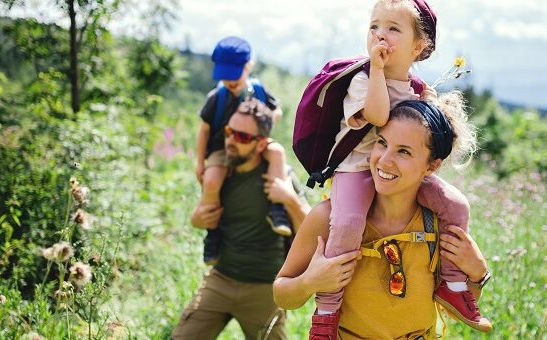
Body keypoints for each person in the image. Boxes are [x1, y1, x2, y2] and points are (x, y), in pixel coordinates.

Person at [307, 0, 489, 335]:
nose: (380, 35)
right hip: (357, 168)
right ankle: (328, 310)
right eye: (374, 26)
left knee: (455, 205)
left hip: (393, 171)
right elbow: (377, 116)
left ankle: (453, 285)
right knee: (348, 221)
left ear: (419, 46)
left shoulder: (417, 89)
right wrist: (377, 69)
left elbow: (427, 135)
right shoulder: (362, 79)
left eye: (393, 29)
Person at [274, 97, 491, 339]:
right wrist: (309, 282)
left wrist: (478, 274)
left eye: (404, 151)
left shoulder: (441, 223)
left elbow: (452, 310)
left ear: (431, 166)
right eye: (381, 142)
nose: (385, 160)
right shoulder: (329, 218)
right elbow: (282, 295)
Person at [176, 98, 312, 339]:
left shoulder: (279, 176)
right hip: (220, 279)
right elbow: (197, 221)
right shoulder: (219, 174)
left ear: (261, 145)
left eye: (242, 137)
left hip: (265, 289)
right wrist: (197, 218)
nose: (231, 141)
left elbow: (310, 230)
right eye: (229, 132)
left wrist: (290, 199)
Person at [192, 36, 293, 266]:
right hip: (222, 147)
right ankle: (213, 232)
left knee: (276, 153)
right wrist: (200, 162)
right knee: (211, 181)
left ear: (248, 66)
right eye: (224, 76)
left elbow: (276, 111)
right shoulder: (216, 97)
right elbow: (204, 130)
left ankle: (278, 208)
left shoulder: (257, 90)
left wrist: (264, 121)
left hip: (254, 142)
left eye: (234, 74)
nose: (229, 81)